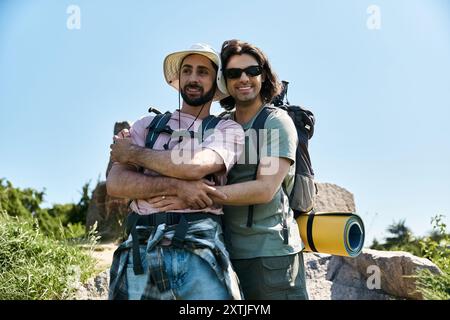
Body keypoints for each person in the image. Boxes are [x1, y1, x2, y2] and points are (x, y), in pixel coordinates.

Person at [149, 39, 309, 300]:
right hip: (224, 251)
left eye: (252, 71)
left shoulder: (275, 123)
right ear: (224, 81)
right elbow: (184, 161)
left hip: (271, 255)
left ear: (264, 75)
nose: (243, 78)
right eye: (234, 73)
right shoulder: (221, 125)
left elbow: (265, 189)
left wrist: (198, 193)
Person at [106, 43, 245, 300]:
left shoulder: (227, 129)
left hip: (200, 248)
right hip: (140, 248)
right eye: (187, 71)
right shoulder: (146, 125)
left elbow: (196, 166)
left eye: (202, 72)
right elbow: (116, 183)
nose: (193, 78)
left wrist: (134, 155)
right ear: (178, 78)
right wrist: (178, 187)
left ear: (215, 81)